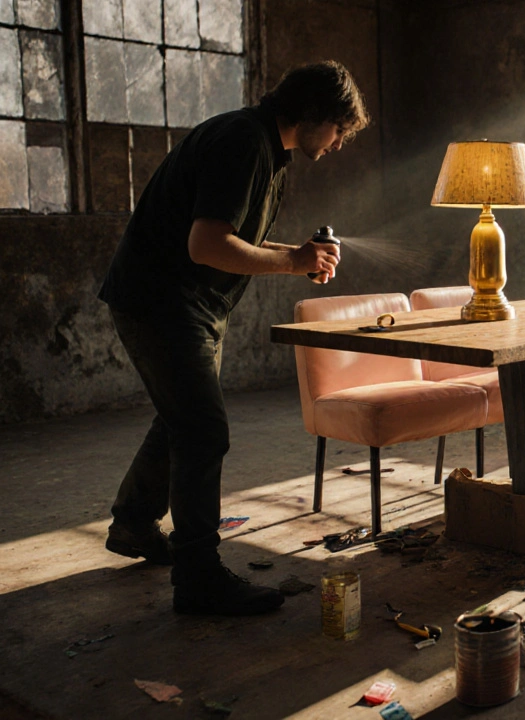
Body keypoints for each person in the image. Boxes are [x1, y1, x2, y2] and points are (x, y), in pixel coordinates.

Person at [97, 61, 368, 616]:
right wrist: (295, 261)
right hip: (163, 301)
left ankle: (132, 525)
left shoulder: (266, 148)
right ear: (316, 113)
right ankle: (197, 580)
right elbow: (207, 245)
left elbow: (234, 239)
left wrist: (299, 256)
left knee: (181, 418)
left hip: (183, 304)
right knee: (202, 430)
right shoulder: (244, 141)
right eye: (340, 129)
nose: (340, 144)